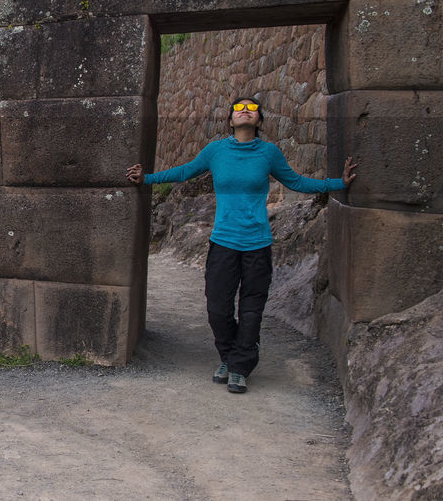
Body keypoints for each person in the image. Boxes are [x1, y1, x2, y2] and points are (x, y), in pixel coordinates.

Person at [126, 97, 357, 394]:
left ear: (259, 121)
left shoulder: (269, 153)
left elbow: (297, 183)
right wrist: (146, 178)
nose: (245, 110)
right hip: (223, 242)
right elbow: (184, 172)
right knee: (217, 308)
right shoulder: (216, 151)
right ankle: (231, 356)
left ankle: (238, 366)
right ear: (230, 120)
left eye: (251, 108)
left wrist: (339, 183)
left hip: (257, 244)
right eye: (238, 108)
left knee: (251, 309)